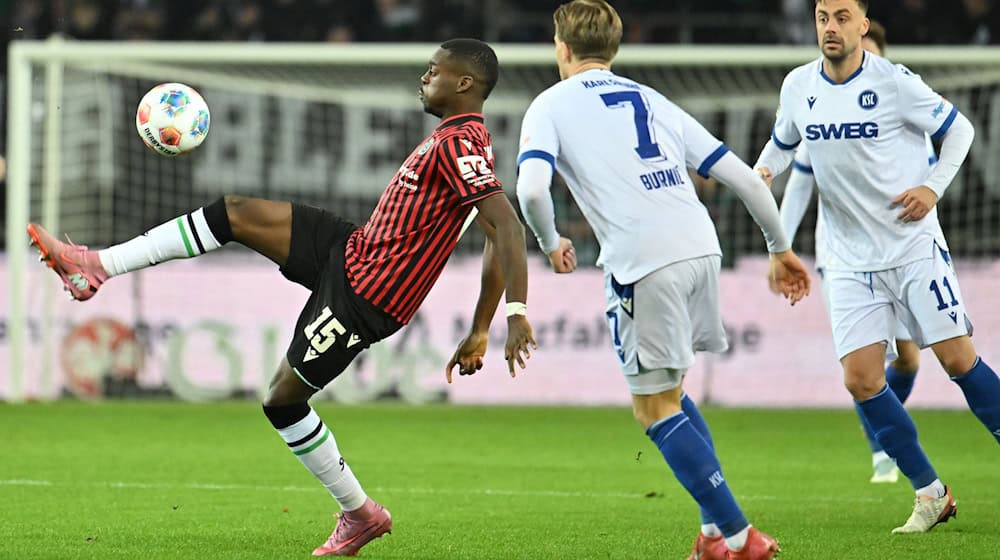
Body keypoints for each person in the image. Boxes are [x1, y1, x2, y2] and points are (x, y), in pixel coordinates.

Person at [28, 38, 537, 557]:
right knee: (234, 212)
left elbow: (508, 229)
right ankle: (95, 267)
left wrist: (511, 314)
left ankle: (359, 514)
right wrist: (478, 328)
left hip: (367, 293)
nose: (424, 78)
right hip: (354, 249)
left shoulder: (461, 143)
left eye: (434, 71)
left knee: (282, 400)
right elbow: (495, 235)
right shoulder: (457, 139)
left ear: (465, 83)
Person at [515, 2, 811, 559]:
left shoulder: (548, 105)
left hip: (644, 260)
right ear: (614, 49)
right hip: (701, 249)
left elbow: (531, 190)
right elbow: (746, 180)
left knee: (652, 408)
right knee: (671, 394)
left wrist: (550, 243)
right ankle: (713, 535)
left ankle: (741, 537)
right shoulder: (651, 99)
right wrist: (781, 248)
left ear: (561, 48)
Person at [756, 0, 1000, 534]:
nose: (831, 27)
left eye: (842, 17)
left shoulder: (895, 82)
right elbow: (779, 150)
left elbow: (960, 131)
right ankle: (930, 492)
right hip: (845, 259)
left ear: (864, 24)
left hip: (910, 248)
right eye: (822, 16)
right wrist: (757, 181)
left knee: (958, 361)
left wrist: (932, 188)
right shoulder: (798, 86)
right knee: (861, 378)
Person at [777, 19, 928, 485]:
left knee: (908, 360)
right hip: (843, 253)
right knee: (865, 366)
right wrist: (779, 244)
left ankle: (885, 437)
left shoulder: (900, 103)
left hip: (898, 248)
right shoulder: (822, 110)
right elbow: (800, 179)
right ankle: (883, 450)